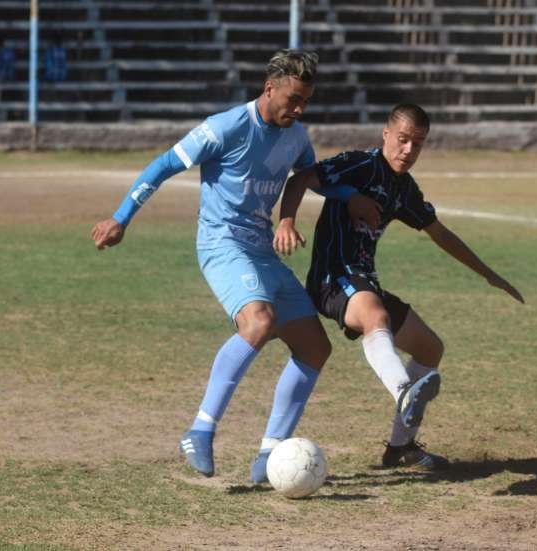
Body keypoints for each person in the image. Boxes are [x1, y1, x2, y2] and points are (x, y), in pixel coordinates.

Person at [91, 50, 421, 481]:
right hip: (222, 244)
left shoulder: (296, 136)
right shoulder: (225, 127)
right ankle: (200, 430)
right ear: (270, 88)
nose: (299, 109)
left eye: (306, 101)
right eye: (294, 99)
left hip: (261, 251)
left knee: (314, 348)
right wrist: (120, 217)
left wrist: (345, 198)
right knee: (259, 321)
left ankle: (268, 454)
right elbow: (164, 165)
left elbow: (311, 178)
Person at [272, 103, 525, 471]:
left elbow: (439, 232)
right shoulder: (359, 164)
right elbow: (300, 180)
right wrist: (286, 222)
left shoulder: (403, 188)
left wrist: (487, 273)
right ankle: (403, 390)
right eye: (403, 140)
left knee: (429, 347)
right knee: (375, 315)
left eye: (417, 144)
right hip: (332, 279)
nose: (408, 150)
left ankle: (400, 447)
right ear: (386, 134)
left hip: (364, 281)